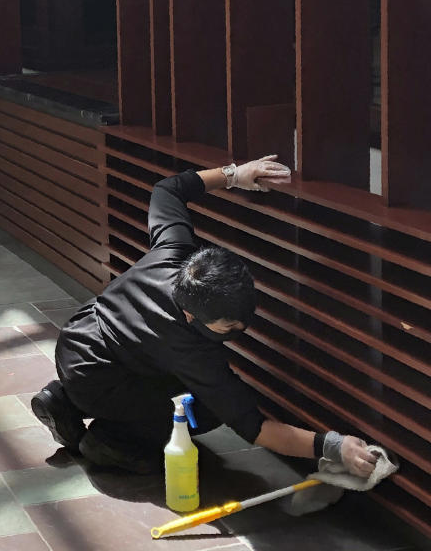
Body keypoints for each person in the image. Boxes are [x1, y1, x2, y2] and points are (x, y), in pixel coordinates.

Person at [32, 156, 377, 479]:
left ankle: (61, 399)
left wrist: (236, 174)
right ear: (189, 315)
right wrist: (333, 446)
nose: (238, 330)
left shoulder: (175, 251)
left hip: (79, 339)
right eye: (228, 327)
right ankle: (112, 440)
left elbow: (167, 189)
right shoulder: (189, 349)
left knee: (166, 383)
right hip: (98, 380)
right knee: (203, 411)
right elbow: (252, 426)